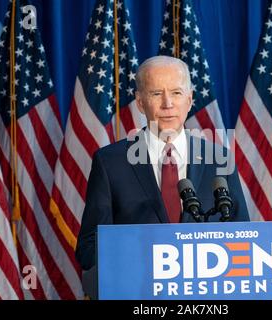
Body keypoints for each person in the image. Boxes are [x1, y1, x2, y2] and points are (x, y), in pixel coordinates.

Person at [75, 55, 249, 271]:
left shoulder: (219, 158)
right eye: (157, 94)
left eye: (176, 93)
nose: (168, 104)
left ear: (190, 99)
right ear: (140, 103)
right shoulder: (110, 162)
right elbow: (89, 248)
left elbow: (244, 237)